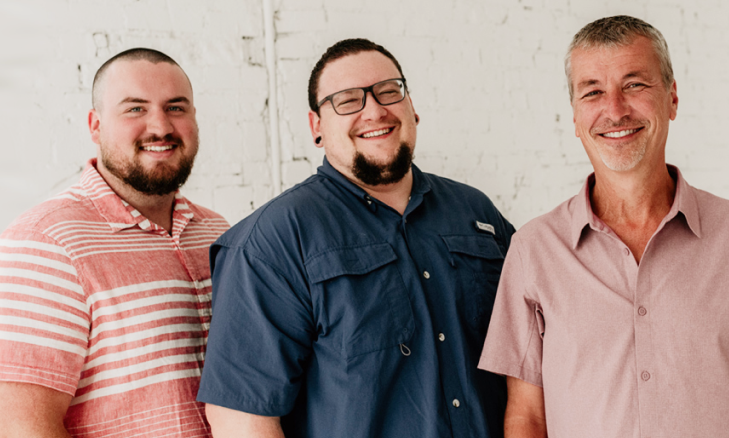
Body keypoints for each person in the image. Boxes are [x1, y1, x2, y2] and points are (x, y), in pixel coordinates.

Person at [479, 16, 729, 438]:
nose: (615, 109)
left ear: (672, 99)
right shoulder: (533, 250)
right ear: (574, 115)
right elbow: (527, 417)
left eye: (635, 85)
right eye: (593, 92)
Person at [196, 38, 514, 438]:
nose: (375, 110)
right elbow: (242, 417)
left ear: (411, 107)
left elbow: (529, 360)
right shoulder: (272, 242)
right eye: (347, 100)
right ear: (317, 127)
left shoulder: (476, 213)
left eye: (388, 91)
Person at [0, 48, 229, 437]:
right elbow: (21, 424)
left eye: (176, 107)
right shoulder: (46, 241)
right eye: (135, 109)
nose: (160, 126)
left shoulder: (216, 232)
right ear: (95, 126)